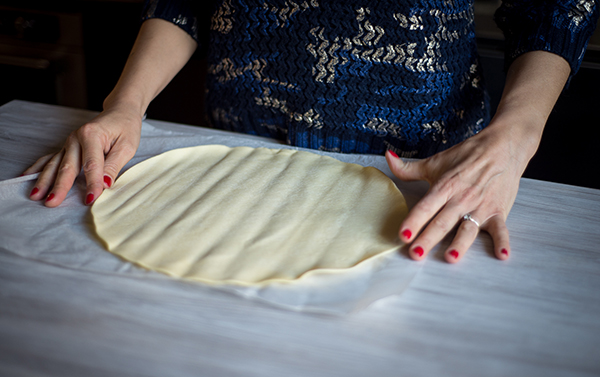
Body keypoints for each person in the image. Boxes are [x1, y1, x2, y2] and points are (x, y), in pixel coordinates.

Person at [22, 0, 599, 263]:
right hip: (245, 152)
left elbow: (553, 7)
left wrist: (517, 136)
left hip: (428, 174)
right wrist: (126, 105)